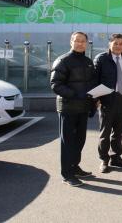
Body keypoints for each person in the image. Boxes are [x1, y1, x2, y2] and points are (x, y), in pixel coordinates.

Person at [50, 31, 96, 187]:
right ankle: (67, 174)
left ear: (87, 43)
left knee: (79, 140)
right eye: (77, 40)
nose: (80, 43)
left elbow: (91, 84)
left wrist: (92, 102)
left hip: (83, 108)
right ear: (71, 42)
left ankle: (75, 167)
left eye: (83, 41)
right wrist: (75, 95)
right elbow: (55, 84)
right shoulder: (63, 60)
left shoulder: (88, 62)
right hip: (67, 107)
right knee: (67, 142)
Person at [94, 33, 122, 173]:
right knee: (105, 132)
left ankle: (116, 157)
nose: (118, 46)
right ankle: (104, 160)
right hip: (106, 100)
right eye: (115, 43)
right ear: (110, 44)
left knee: (118, 132)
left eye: (121, 44)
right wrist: (96, 99)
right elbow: (94, 80)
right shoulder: (101, 59)